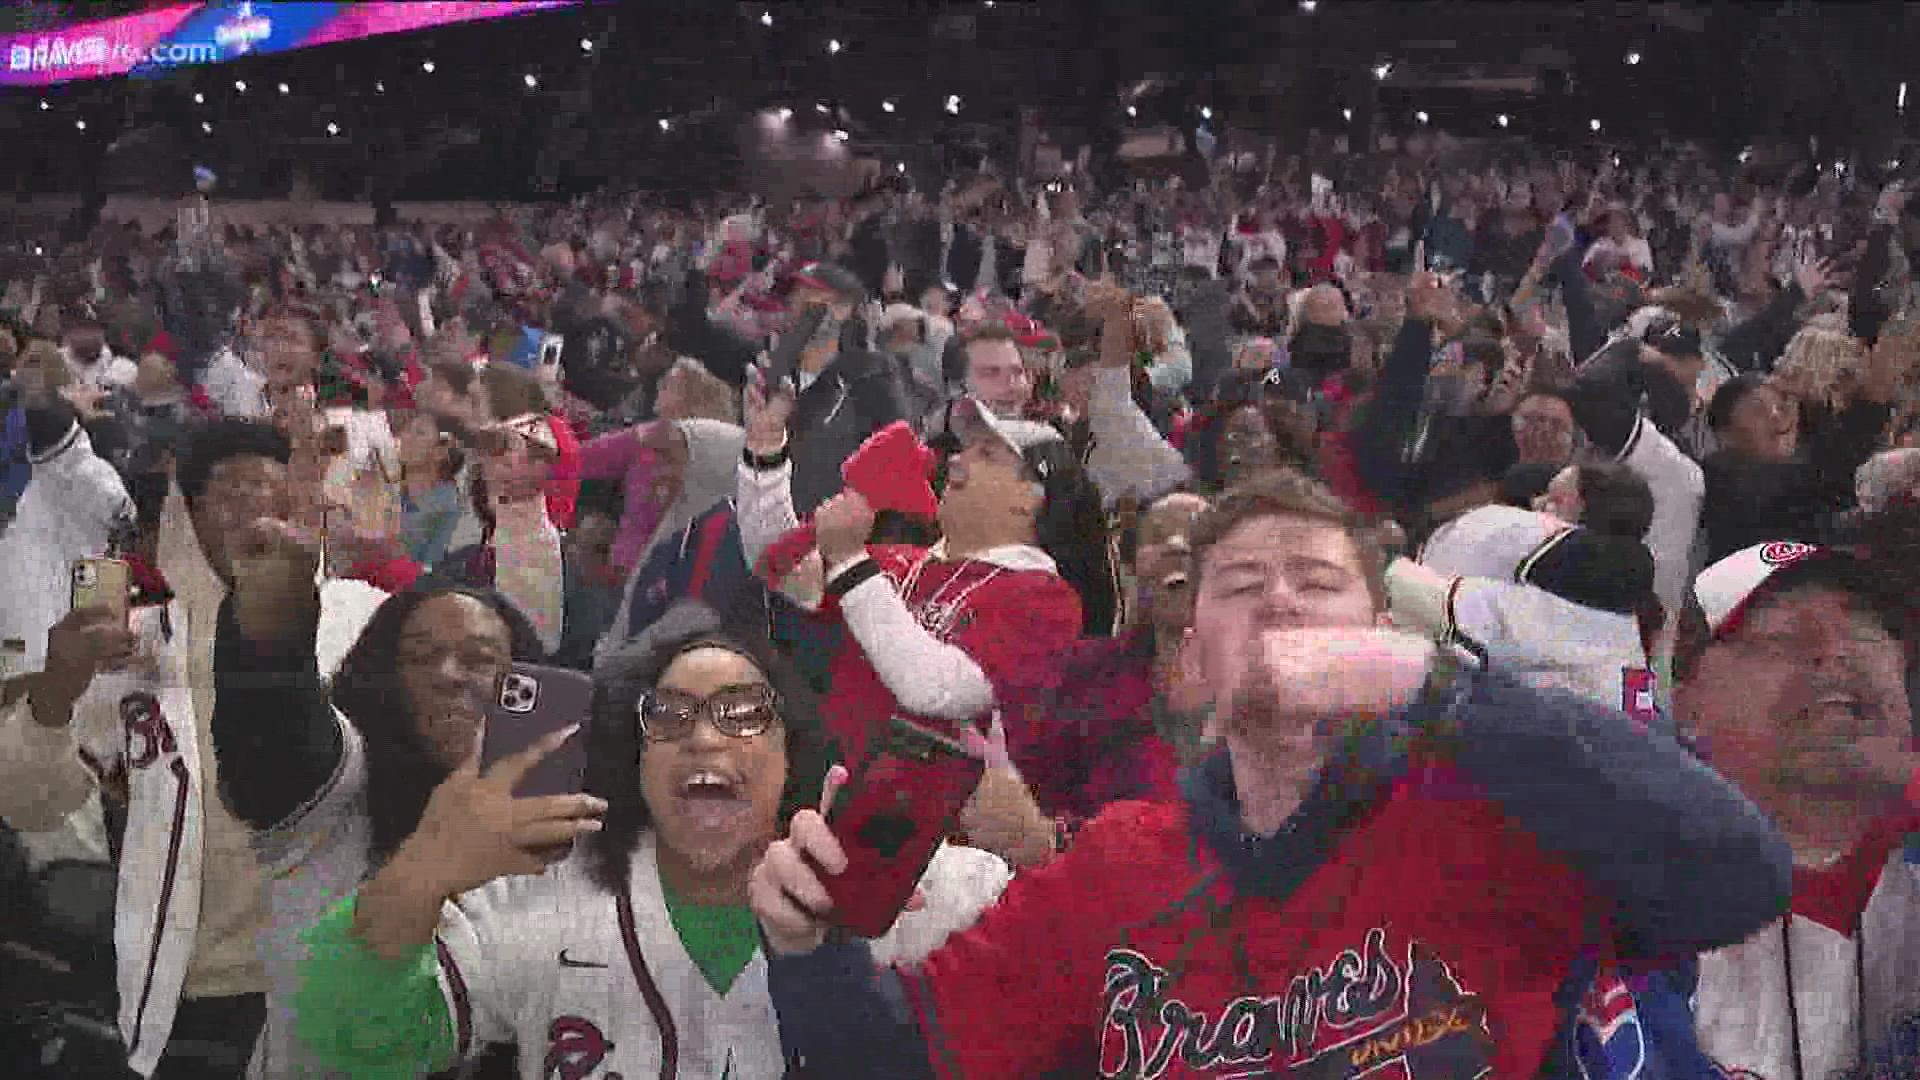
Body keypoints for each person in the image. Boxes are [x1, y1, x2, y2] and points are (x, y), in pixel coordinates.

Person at [748, 470, 1792, 1079]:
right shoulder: (1118, 866)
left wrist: (1449, 694)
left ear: (1383, 633)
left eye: (1319, 583)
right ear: (1193, 657)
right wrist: (808, 946)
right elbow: (903, 1060)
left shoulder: (1498, 811)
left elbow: (1741, 877)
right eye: (1243, 585)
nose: (1284, 604)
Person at [292, 603, 1010, 1079]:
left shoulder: (928, 891)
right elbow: (347, 1038)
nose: (703, 736)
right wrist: (420, 872)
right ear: (634, 764)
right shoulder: (542, 893)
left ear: (794, 757)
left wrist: (1041, 842)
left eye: (742, 712)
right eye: (668, 716)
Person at [0, 419, 387, 1078]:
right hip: (189, 985)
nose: (252, 511)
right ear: (191, 516)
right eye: (229, 494)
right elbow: (33, 805)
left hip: (338, 971)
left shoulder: (366, 619)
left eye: (270, 492)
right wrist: (58, 691)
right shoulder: (132, 646)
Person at [209, 576, 545, 1078]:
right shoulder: (341, 784)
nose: (450, 675)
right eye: (420, 656)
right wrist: (273, 607)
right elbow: (277, 728)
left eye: (480, 659)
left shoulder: (554, 821)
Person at [739, 371, 1096, 773]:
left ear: (1028, 500)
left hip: (938, 826)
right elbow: (775, 564)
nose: (957, 460)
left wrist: (852, 562)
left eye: (987, 455)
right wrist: (765, 448)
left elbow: (936, 689)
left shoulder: (1046, 600)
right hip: (831, 793)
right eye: (966, 448)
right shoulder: (904, 561)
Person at [1673, 541, 1920, 1077]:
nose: (1836, 653)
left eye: (1864, 631)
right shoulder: (1621, 902)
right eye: (1784, 637)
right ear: (1683, 697)